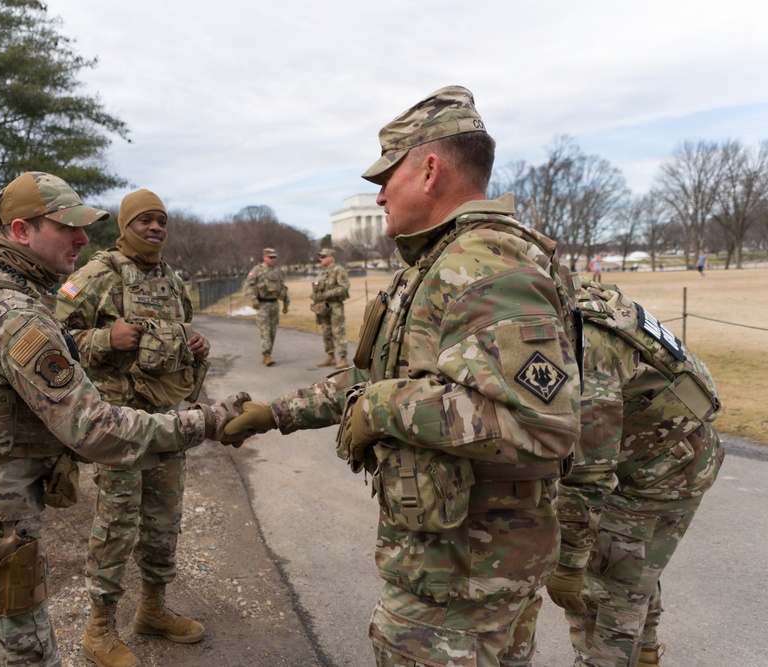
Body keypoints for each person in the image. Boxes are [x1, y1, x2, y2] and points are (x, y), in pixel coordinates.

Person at [224, 85, 580, 666]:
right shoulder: (440, 264)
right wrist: (275, 414)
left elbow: (540, 424)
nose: (381, 193)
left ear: (430, 170)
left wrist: (382, 408)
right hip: (459, 571)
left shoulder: (485, 266)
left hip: (464, 582)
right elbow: (374, 376)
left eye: (387, 176)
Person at [0, 171, 248, 667]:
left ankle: (152, 606)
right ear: (21, 231)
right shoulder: (15, 311)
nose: (84, 239)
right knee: (23, 650)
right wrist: (207, 422)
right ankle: (101, 627)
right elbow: (95, 428)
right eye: (68, 227)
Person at [54, 189, 210, 667]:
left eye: (162, 220)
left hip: (166, 422)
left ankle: (152, 610)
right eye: (145, 220)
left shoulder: (171, 280)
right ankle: (99, 629)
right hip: (117, 427)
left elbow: (180, 332)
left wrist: (194, 345)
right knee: (118, 521)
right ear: (125, 226)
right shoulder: (96, 276)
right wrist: (105, 338)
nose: (156, 228)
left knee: (164, 517)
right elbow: (53, 341)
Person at [541, 280, 723, 667]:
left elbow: (589, 471)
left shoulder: (582, 341)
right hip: (672, 451)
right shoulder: (579, 299)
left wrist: (569, 563)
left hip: (660, 470)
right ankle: (645, 655)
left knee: (606, 593)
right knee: (632, 571)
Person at [243, 247, 289, 366]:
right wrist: (253, 299)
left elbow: (283, 288)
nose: (273, 259)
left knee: (273, 331)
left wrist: (286, 303)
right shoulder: (257, 270)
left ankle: (268, 353)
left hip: (274, 304)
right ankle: (266, 354)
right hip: (262, 304)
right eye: (271, 257)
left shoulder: (276, 272)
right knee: (265, 330)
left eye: (274, 257)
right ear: (264, 257)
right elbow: (247, 286)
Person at [311, 247, 351, 368]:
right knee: (326, 332)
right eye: (320, 256)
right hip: (323, 307)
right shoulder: (322, 272)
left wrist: (327, 294)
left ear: (331, 257)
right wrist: (315, 296)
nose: (321, 259)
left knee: (338, 331)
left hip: (335, 305)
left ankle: (343, 358)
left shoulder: (338, 270)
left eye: (323, 256)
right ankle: (330, 356)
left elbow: (344, 286)